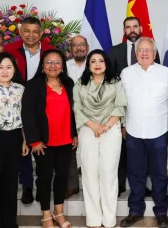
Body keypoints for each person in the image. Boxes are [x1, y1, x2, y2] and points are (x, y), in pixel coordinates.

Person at [120, 37, 168, 228]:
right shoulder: (126, 73)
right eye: (140, 50)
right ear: (136, 54)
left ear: (155, 53)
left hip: (159, 131)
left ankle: (161, 212)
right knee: (135, 173)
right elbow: (122, 102)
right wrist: (123, 125)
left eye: (148, 50)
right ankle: (135, 211)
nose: (144, 53)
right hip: (133, 131)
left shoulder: (166, 73)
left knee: (159, 174)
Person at [21, 49, 77, 228]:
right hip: (43, 142)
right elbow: (27, 114)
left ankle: (58, 212)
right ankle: (46, 214)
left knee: (62, 176)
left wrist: (74, 133)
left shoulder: (69, 83)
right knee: (44, 177)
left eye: (57, 62)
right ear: (42, 66)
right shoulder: (33, 85)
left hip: (66, 140)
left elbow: (73, 112)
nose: (53, 66)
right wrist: (34, 140)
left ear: (62, 66)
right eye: (49, 62)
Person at [73, 49, 126, 228]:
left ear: (106, 64)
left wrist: (106, 126)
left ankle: (109, 220)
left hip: (111, 129)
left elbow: (120, 105)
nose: (97, 64)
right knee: (89, 174)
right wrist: (93, 125)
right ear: (88, 65)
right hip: (88, 129)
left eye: (100, 61)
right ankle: (94, 220)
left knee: (109, 174)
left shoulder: (115, 81)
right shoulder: (80, 83)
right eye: (93, 61)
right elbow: (77, 107)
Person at [5, 17, 55, 204]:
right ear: (20, 32)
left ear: (41, 33)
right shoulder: (10, 51)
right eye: (27, 31)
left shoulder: (51, 51)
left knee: (42, 144)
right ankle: (26, 186)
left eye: (35, 31)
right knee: (23, 146)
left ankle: (42, 185)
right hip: (16, 104)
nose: (31, 35)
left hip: (44, 105)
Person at [109, 16, 160, 197]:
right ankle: (121, 184)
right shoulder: (115, 51)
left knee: (145, 155)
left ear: (140, 29)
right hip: (125, 112)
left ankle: (143, 186)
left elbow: (157, 76)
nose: (132, 30)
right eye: (128, 27)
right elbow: (112, 84)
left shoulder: (152, 49)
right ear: (124, 31)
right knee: (124, 152)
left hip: (148, 115)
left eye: (135, 26)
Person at [0, 52, 29, 228]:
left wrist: (25, 140)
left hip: (15, 138)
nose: (4, 71)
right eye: (0, 67)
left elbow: (24, 118)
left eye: (9, 67)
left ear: (14, 69)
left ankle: (9, 222)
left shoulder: (20, 89)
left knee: (10, 183)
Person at [64, 35, 89, 199]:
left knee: (91, 148)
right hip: (68, 113)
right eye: (75, 45)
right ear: (71, 49)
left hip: (91, 114)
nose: (79, 48)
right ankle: (72, 185)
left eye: (82, 45)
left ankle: (91, 184)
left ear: (87, 47)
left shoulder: (95, 63)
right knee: (69, 149)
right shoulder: (64, 67)